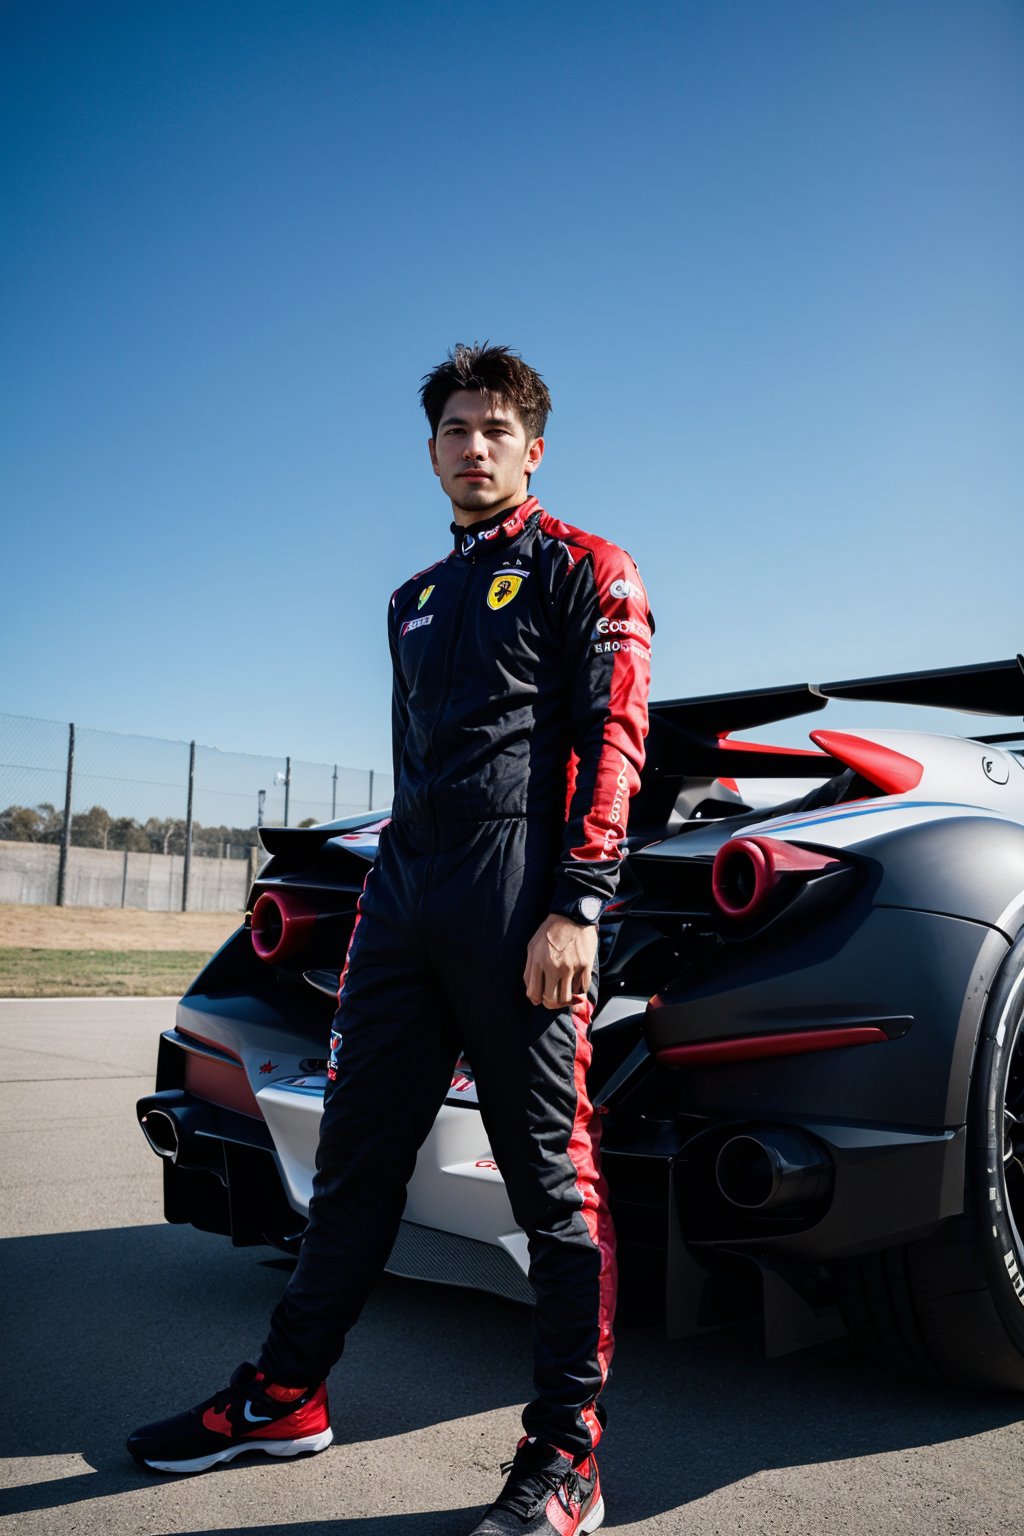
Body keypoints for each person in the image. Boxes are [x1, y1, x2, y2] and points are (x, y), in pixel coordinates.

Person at [128, 343, 654, 1535]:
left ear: (533, 447)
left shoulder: (587, 567)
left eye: (494, 429)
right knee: (356, 1169)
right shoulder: (410, 599)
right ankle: (285, 1396)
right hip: (403, 907)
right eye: (454, 430)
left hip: (522, 907)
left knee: (550, 1188)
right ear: (430, 453)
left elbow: (616, 740)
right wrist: (385, 910)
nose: (473, 446)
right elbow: (421, 767)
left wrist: (578, 901)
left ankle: (567, 1455)